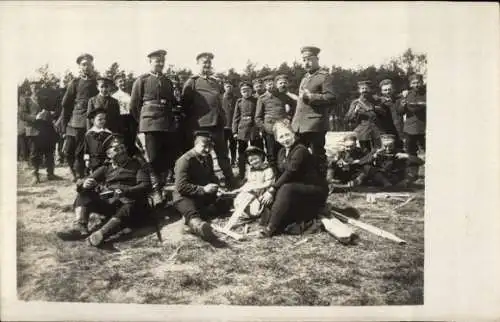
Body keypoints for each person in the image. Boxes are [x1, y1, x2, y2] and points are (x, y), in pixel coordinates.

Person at [56, 134, 152, 247]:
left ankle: (101, 234)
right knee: (84, 194)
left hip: (132, 205)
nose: (122, 151)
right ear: (109, 154)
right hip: (112, 203)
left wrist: (126, 191)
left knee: (129, 204)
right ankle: (80, 227)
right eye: (116, 149)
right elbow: (84, 181)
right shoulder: (106, 168)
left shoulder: (137, 165)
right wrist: (84, 185)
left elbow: (145, 185)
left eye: (122, 148)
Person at [257, 119, 329, 238]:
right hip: (297, 188)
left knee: (284, 189)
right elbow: (281, 175)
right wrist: (271, 190)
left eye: (287, 135)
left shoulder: (300, 150)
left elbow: (290, 173)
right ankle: (270, 221)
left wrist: (273, 189)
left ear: (293, 134)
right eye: (281, 136)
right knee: (278, 192)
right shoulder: (281, 152)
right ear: (276, 139)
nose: (285, 139)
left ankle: (271, 228)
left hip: (315, 189)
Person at [181, 52, 237, 189]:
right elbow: (185, 106)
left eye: (209, 63)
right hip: (201, 126)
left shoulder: (215, 82)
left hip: (217, 125)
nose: (207, 65)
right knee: (202, 155)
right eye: (204, 62)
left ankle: (231, 181)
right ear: (197, 64)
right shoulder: (192, 82)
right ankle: (203, 182)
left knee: (223, 155)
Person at [129, 49, 178, 204]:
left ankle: (163, 188)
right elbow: (134, 105)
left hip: (167, 124)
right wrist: (143, 121)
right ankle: (156, 191)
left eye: (162, 61)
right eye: (157, 60)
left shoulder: (167, 81)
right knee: (154, 158)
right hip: (150, 123)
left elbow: (171, 103)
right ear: (150, 62)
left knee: (167, 157)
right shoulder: (141, 80)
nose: (160, 63)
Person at [173, 131, 231, 241]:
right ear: (196, 145)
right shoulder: (185, 160)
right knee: (193, 214)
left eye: (210, 147)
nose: (208, 150)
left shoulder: (207, 157)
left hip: (201, 194)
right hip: (184, 196)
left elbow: (210, 176)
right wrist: (203, 189)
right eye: (204, 146)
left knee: (225, 203)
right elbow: (181, 186)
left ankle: (198, 214)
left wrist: (217, 188)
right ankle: (199, 227)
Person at [291, 46, 336, 178]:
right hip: (300, 124)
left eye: (309, 59)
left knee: (317, 155)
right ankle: (302, 180)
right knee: (299, 154)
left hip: (315, 124)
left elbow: (331, 97)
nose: (306, 63)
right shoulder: (305, 78)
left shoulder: (325, 77)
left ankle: (320, 183)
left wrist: (312, 97)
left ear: (317, 59)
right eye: (304, 60)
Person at [56, 53, 98, 181]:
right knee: (73, 150)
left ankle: (88, 173)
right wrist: (64, 126)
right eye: (83, 64)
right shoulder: (75, 83)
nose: (87, 67)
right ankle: (77, 172)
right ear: (79, 67)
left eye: (89, 64)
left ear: (92, 66)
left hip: (93, 120)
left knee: (91, 149)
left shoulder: (97, 82)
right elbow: (66, 105)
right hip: (77, 120)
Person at [19, 78, 60, 183]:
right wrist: (35, 117)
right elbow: (22, 115)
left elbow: (55, 110)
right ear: (30, 88)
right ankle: (35, 175)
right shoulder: (26, 100)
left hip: (46, 129)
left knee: (49, 152)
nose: (36, 89)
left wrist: (51, 113)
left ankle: (50, 174)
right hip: (33, 130)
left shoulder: (45, 99)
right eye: (34, 87)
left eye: (38, 87)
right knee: (34, 153)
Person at [255, 74, 296, 174]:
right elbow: (258, 117)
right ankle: (274, 176)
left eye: (271, 83)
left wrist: (289, 118)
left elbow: (294, 107)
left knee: (284, 152)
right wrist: (265, 128)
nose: (270, 86)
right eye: (267, 84)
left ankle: (285, 174)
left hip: (283, 129)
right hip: (270, 130)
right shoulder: (262, 98)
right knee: (271, 154)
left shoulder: (282, 96)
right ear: (264, 86)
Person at [359, 134, 424, 188]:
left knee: (412, 164)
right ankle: (386, 183)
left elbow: (421, 162)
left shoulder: (399, 151)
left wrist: (406, 156)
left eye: (390, 146)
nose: (388, 149)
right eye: (385, 146)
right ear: (381, 145)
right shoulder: (377, 151)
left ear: (394, 145)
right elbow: (361, 162)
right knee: (367, 167)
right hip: (380, 176)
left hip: (395, 175)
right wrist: (373, 157)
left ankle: (401, 183)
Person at [229, 146, 275, 223]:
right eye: (251, 160)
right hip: (251, 191)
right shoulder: (251, 169)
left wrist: (255, 187)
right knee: (238, 201)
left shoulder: (267, 169)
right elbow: (249, 182)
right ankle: (243, 212)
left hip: (262, 192)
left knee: (255, 211)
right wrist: (240, 189)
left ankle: (262, 211)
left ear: (261, 157)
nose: (254, 162)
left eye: (255, 159)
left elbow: (269, 183)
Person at [232, 81, 263, 179]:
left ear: (251, 90)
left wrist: (261, 129)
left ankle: (260, 172)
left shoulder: (257, 100)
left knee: (258, 150)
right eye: (243, 91)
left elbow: (260, 115)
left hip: (255, 128)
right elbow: (236, 117)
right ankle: (242, 174)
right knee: (242, 153)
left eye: (248, 90)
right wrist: (234, 131)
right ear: (241, 92)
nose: (246, 92)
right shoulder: (239, 102)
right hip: (242, 130)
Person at [344, 80, 381, 153]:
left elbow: (383, 112)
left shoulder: (376, 100)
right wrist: (355, 111)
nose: (364, 90)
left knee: (378, 151)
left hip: (376, 130)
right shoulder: (355, 102)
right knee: (365, 152)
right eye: (362, 88)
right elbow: (348, 118)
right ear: (359, 90)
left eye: (366, 88)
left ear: (370, 89)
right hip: (363, 132)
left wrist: (375, 108)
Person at [398, 74, 426, 157]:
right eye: (413, 83)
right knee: (410, 151)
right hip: (410, 128)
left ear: (422, 82)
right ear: (410, 84)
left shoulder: (427, 94)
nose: (416, 85)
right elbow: (400, 112)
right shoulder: (406, 95)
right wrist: (402, 105)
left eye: (418, 82)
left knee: (426, 149)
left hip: (423, 127)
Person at [81, 108, 113, 174]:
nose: (103, 121)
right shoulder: (88, 134)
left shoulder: (108, 134)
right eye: (100, 119)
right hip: (93, 161)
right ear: (93, 120)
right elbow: (86, 149)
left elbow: (111, 147)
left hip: (105, 161)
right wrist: (87, 160)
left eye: (104, 119)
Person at [112, 74, 137, 156]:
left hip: (130, 118)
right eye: (120, 81)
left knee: (131, 140)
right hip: (120, 119)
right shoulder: (114, 96)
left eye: (124, 81)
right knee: (122, 140)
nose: (123, 83)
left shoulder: (129, 94)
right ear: (116, 84)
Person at [377, 79, 404, 149]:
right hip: (386, 132)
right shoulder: (378, 102)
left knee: (400, 150)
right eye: (385, 90)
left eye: (389, 89)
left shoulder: (399, 99)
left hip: (399, 130)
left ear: (393, 89)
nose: (388, 92)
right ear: (381, 91)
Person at [221, 79, 238, 166]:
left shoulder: (236, 99)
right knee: (224, 146)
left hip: (233, 126)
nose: (229, 88)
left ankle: (234, 160)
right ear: (224, 87)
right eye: (227, 86)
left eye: (231, 87)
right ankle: (226, 160)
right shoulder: (220, 98)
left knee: (233, 145)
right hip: (223, 126)